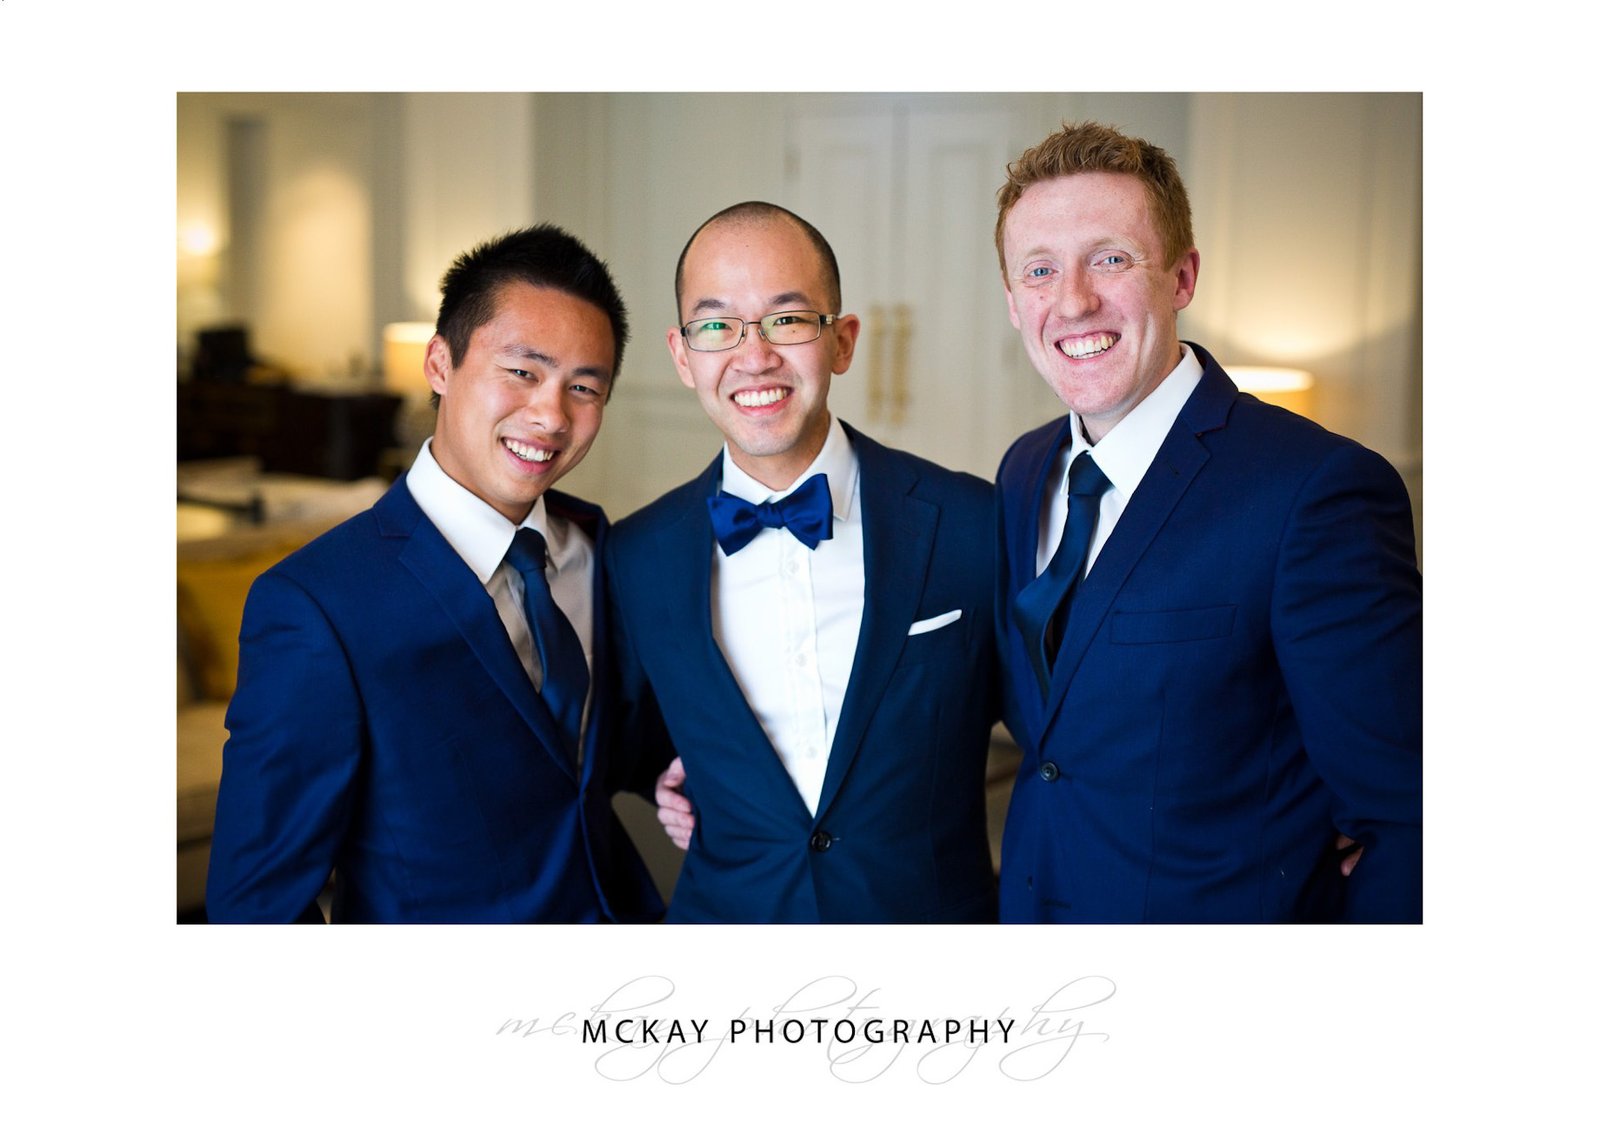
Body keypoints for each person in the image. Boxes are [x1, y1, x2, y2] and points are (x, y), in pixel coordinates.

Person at [992, 122, 1422, 922]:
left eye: (1111, 258)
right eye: (1040, 270)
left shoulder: (1315, 491)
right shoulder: (1023, 471)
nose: (1073, 299)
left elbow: (1411, 813)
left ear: (1182, 276)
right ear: (1015, 302)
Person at [206, 225, 663, 923]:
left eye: (585, 387)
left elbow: (601, 753)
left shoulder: (598, 545)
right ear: (440, 365)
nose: (550, 414)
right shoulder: (315, 607)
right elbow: (258, 905)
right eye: (523, 371)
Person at [605, 202, 999, 922]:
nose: (753, 358)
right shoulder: (636, 556)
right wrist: (671, 775)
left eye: (787, 320)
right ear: (682, 355)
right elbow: (624, 740)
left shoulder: (972, 524)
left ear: (842, 341)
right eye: (717, 326)